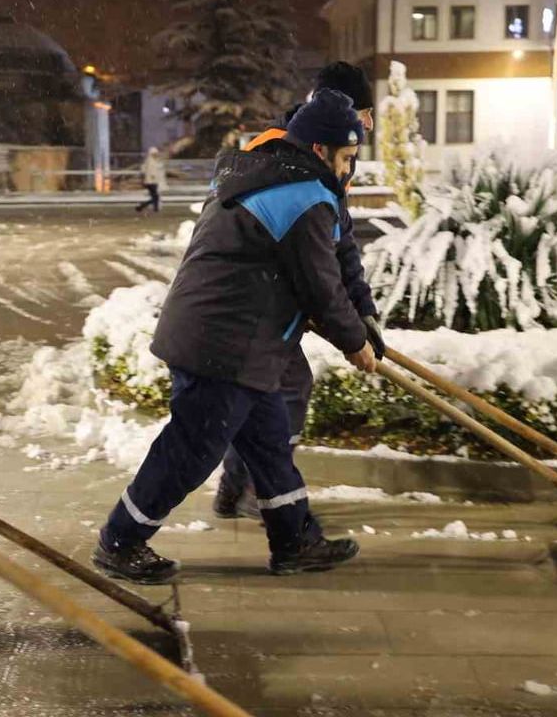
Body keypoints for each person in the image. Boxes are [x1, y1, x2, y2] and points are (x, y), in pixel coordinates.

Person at [92, 89, 377, 584]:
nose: (349, 170)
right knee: (192, 449)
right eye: (347, 158)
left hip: (240, 341)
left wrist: (357, 325)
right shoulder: (304, 197)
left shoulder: (268, 174)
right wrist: (356, 342)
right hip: (223, 345)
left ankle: (295, 541)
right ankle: (120, 541)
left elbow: (304, 269)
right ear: (319, 150)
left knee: (268, 446)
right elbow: (321, 286)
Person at [214, 61, 386, 521]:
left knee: (269, 391)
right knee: (284, 388)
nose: (368, 123)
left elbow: (339, 239)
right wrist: (344, 328)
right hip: (251, 299)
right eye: (364, 110)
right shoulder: (279, 149)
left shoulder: (334, 153)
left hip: (276, 299)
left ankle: (237, 488)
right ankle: (255, 489)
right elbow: (285, 238)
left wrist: (362, 312)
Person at [135, 146, 167, 213]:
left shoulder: (150, 160)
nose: (156, 154)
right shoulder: (151, 161)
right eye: (155, 153)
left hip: (151, 181)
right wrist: (153, 177)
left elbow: (143, 170)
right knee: (155, 197)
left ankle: (152, 208)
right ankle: (142, 206)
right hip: (151, 181)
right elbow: (151, 171)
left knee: (155, 196)